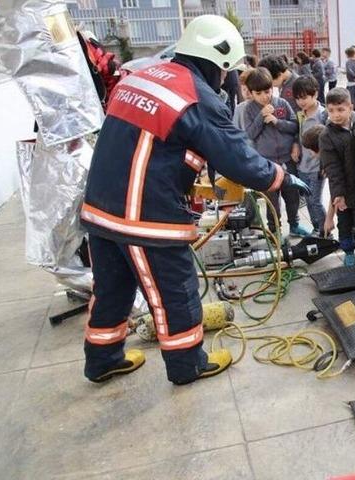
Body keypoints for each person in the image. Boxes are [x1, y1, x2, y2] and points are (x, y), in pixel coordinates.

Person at [80, 15, 309, 385]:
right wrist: (282, 177)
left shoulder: (141, 76)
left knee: (112, 287)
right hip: (144, 216)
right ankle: (189, 365)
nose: (227, 77)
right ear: (217, 62)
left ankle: (102, 358)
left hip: (100, 208)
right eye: (227, 70)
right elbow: (238, 158)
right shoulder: (195, 96)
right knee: (174, 290)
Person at [238, 67, 311, 237]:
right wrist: (261, 117)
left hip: (287, 160)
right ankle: (274, 230)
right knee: (272, 201)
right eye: (259, 93)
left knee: (292, 196)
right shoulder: (248, 109)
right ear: (251, 93)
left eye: (267, 90)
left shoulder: (282, 104)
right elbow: (250, 134)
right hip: (266, 163)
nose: (265, 96)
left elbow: (294, 126)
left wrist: (278, 122)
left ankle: (294, 225)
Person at [320, 88, 355, 265]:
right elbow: (332, 168)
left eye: (340, 110)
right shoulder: (326, 135)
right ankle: (349, 252)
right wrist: (338, 195)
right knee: (344, 225)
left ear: (351, 107)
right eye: (331, 110)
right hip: (342, 190)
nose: (335, 115)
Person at [294, 75, 329, 235]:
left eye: (304, 98)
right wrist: (295, 146)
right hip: (302, 165)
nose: (301, 102)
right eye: (298, 98)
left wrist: (325, 164)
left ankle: (324, 230)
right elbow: (297, 134)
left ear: (315, 94)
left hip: (317, 167)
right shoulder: (300, 114)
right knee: (308, 200)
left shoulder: (323, 115)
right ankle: (316, 228)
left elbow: (328, 142)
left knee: (315, 201)